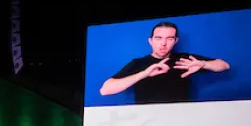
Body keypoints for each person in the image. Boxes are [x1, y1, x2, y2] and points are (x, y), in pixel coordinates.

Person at [98, 21, 230, 104]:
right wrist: (143, 74)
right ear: (150, 41)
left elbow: (224, 65)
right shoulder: (138, 63)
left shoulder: (185, 59)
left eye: (169, 38)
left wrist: (204, 64)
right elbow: (105, 90)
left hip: (181, 119)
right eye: (158, 38)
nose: (163, 44)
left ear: (176, 41)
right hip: (146, 122)